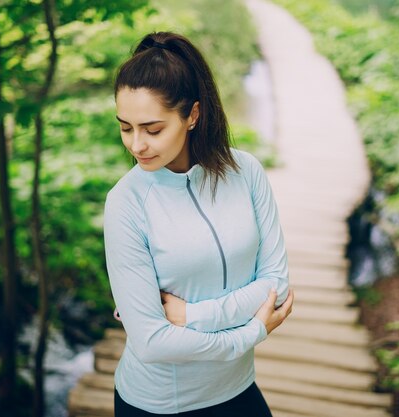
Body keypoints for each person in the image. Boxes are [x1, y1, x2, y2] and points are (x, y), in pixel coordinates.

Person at [104, 31, 294, 417]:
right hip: (161, 404)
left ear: (192, 115)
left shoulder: (246, 172)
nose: (136, 145)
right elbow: (152, 342)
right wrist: (251, 332)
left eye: (153, 129)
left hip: (239, 389)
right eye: (126, 127)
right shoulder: (125, 203)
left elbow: (276, 283)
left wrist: (191, 316)